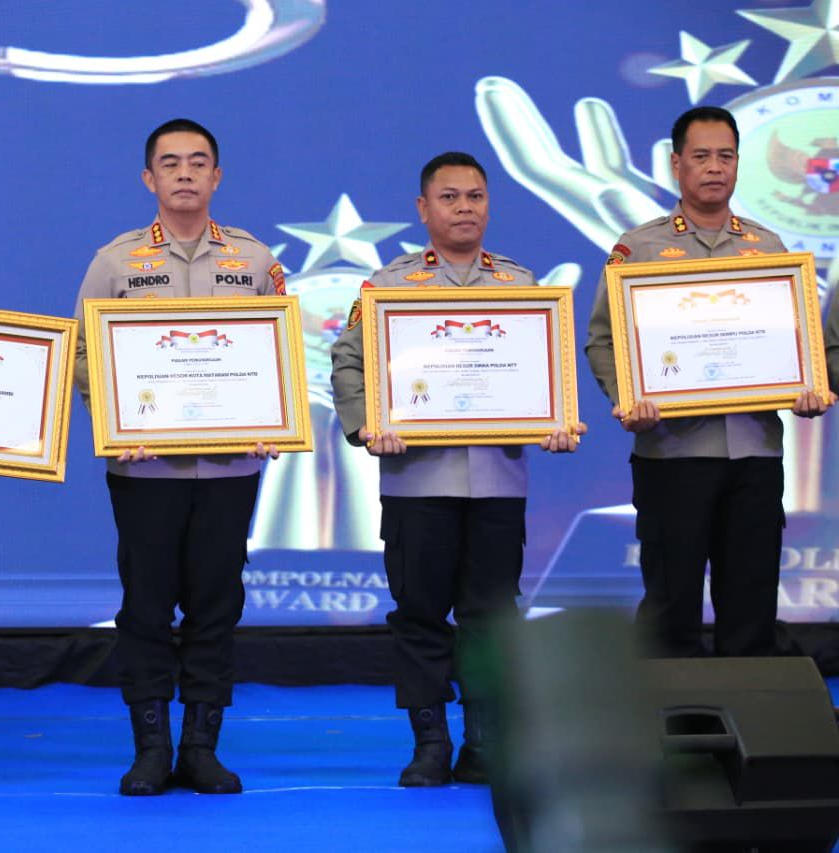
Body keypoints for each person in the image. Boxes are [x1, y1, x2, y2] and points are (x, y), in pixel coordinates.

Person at [330, 152, 583, 787]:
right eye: (449, 197)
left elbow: (546, 376)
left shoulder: (521, 286)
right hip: (416, 479)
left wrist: (555, 420)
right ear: (424, 209)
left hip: (498, 482)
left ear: (488, 205)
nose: (464, 207)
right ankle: (429, 743)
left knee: (491, 617)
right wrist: (367, 424)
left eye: (475, 196)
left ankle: (485, 741)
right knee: (419, 613)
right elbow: (348, 362)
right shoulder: (389, 286)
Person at [73, 118, 283, 796]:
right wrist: (115, 420)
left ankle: (200, 748)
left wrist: (272, 419)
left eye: (198, 162)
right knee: (146, 607)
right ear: (149, 178)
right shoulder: (114, 262)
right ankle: (151, 749)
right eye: (171, 163)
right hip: (144, 467)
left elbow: (279, 352)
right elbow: (82, 353)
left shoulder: (255, 259)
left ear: (216, 176)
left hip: (230, 467)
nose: (185, 173)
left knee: (216, 607)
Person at [584, 106, 829, 659]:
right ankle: (676, 715)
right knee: (671, 609)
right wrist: (628, 396)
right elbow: (602, 340)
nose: (715, 167)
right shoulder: (639, 248)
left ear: (738, 164)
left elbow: (797, 346)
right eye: (701, 156)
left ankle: (748, 713)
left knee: (751, 605)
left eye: (725, 156)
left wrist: (809, 385)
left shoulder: (770, 249)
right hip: (672, 452)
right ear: (677, 165)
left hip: (755, 452)